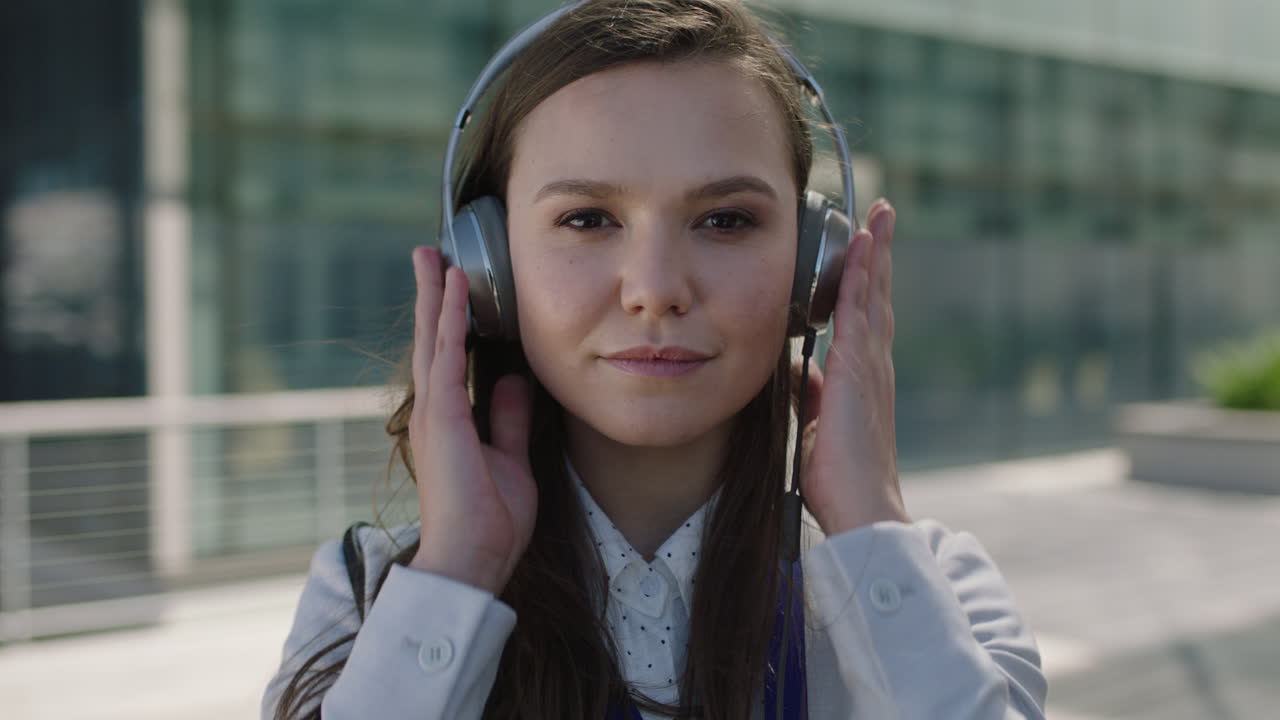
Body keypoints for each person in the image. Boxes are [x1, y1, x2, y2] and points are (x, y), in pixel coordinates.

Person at [262, 1, 1048, 718]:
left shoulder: (935, 593)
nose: (656, 290)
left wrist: (869, 525)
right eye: (588, 218)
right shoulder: (365, 601)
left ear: (815, 267)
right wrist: (459, 573)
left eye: (726, 220)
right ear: (487, 264)